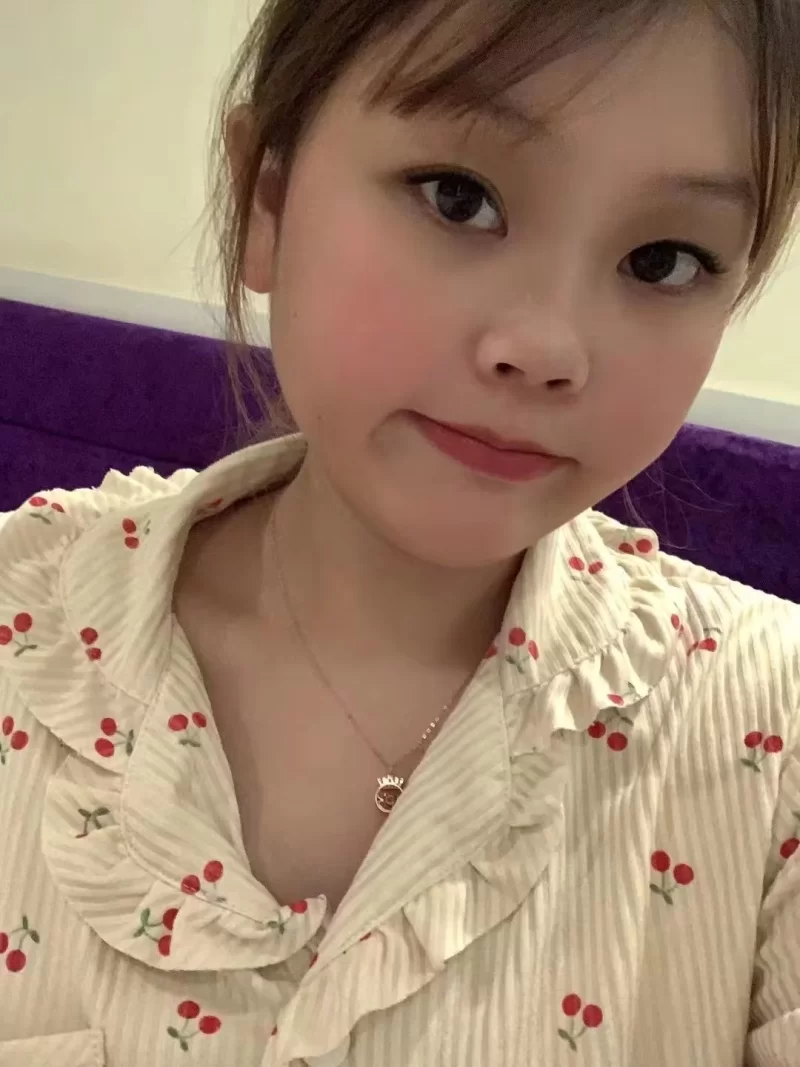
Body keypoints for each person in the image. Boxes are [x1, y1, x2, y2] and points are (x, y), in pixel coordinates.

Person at [1, 0, 799, 1063]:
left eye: (664, 260)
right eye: (458, 197)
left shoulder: (774, 733)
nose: (545, 346)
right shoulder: (23, 624)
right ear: (265, 199)